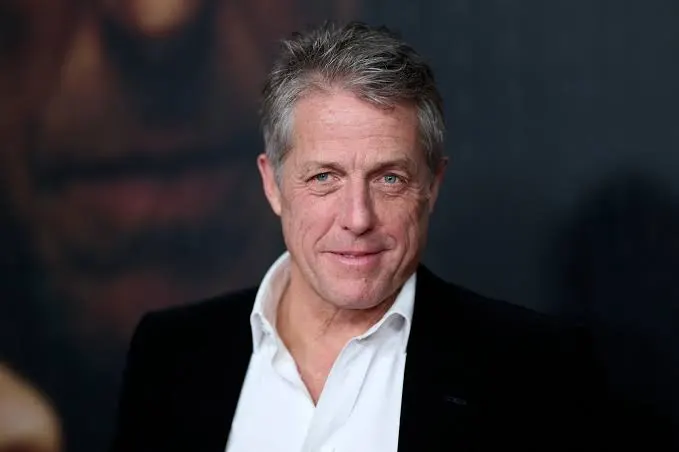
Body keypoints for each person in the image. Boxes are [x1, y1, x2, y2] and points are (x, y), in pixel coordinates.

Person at [110, 21, 604, 451]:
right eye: (324, 177)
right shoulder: (170, 354)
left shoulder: (534, 370)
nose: (358, 218)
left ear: (432, 186)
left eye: (389, 178)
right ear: (272, 184)